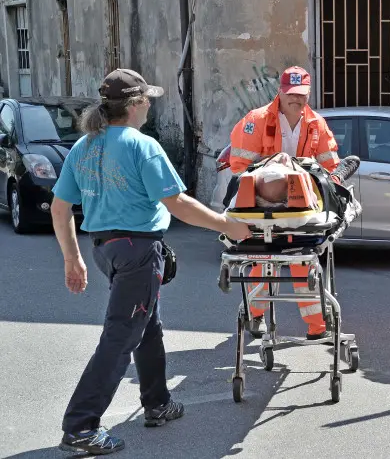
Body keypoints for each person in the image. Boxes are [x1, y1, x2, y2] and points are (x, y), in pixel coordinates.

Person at [52, 68, 252, 455]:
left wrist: (72, 259)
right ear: (136, 104)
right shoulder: (141, 145)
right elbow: (177, 204)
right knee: (119, 337)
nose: (149, 107)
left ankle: (157, 403)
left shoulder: (84, 146)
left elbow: (60, 209)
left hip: (106, 251)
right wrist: (228, 226)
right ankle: (80, 426)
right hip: (137, 252)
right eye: (147, 100)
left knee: (147, 327)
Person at [227, 66, 340, 341]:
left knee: (304, 262)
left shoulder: (317, 124)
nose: (296, 99)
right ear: (280, 91)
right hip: (262, 203)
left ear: (308, 95)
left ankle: (317, 325)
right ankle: (255, 316)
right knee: (264, 262)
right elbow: (240, 168)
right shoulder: (256, 120)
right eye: (291, 94)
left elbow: (330, 169)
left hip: (301, 206)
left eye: (301, 95)